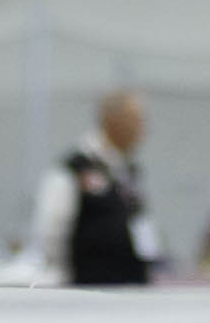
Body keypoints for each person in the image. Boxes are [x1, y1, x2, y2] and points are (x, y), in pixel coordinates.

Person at [32, 90, 157, 285]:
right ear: (113, 121)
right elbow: (52, 228)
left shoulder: (129, 170)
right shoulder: (73, 168)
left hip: (129, 285)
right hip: (87, 286)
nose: (142, 130)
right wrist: (63, 277)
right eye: (136, 121)